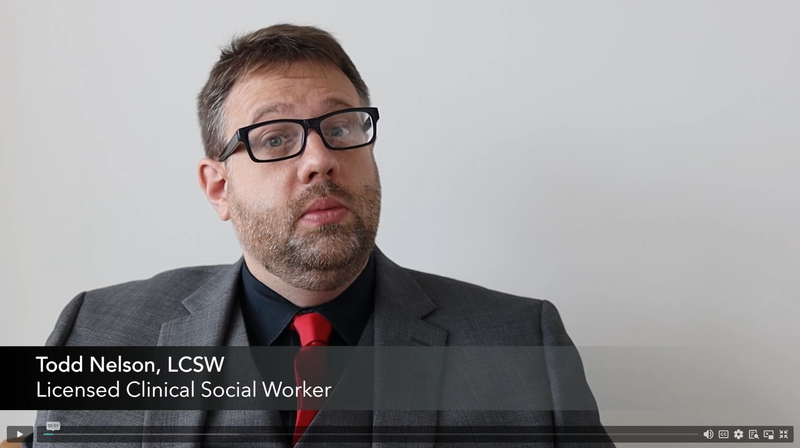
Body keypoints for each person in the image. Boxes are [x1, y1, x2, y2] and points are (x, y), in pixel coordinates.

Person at [17, 24, 614, 447]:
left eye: (341, 126)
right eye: (275, 138)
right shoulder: (95, 332)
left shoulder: (523, 344)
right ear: (218, 188)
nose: (320, 159)